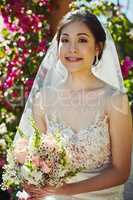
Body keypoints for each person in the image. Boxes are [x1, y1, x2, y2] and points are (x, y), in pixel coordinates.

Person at [15, 9, 133, 200]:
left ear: (98, 48)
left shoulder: (115, 100)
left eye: (82, 40)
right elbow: (36, 158)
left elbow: (121, 171)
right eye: (65, 40)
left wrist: (66, 191)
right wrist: (34, 184)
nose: (72, 49)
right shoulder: (43, 99)